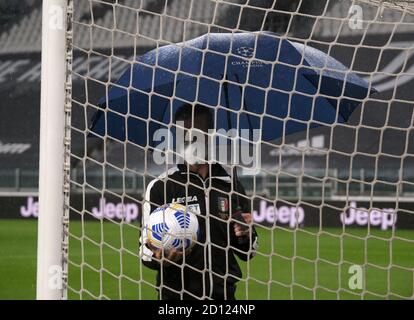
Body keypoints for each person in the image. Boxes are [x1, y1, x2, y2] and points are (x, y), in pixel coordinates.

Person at [139, 103, 258, 300]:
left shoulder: (231, 185)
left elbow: (248, 252)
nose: (190, 141)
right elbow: (144, 251)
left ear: (210, 136)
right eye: (184, 135)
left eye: (196, 135)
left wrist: (245, 234)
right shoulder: (160, 187)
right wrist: (161, 258)